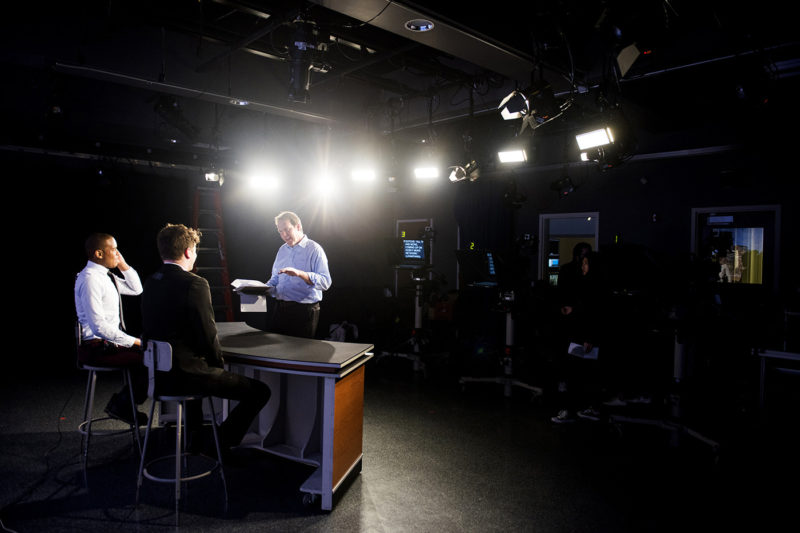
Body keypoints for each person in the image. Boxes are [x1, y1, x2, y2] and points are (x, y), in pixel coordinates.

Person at [141, 223, 271, 453]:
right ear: (188, 252)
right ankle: (219, 443)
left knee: (196, 366)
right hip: (187, 377)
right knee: (260, 392)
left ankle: (194, 437)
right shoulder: (195, 283)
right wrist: (219, 366)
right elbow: (207, 333)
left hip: (158, 376)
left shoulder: (151, 282)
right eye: (195, 251)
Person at [74, 232, 148, 426]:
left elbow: (136, 289)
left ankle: (124, 403)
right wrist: (136, 342)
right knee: (149, 359)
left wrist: (122, 264)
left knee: (152, 355)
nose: (117, 253)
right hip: (95, 347)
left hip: (108, 343)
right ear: (99, 254)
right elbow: (98, 327)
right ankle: (122, 404)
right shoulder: (90, 279)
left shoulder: (106, 276)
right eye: (114, 250)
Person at [551, 243, 604, 423]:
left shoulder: (592, 286)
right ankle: (580, 409)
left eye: (586, 263)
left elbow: (593, 313)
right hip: (580, 335)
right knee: (579, 373)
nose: (582, 266)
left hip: (583, 337)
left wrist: (589, 337)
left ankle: (571, 410)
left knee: (576, 373)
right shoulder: (586, 283)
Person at [266, 211, 332, 338]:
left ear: (298, 226)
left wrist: (300, 274)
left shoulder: (315, 249)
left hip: (304, 312)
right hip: (280, 310)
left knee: (299, 350)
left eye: (287, 229)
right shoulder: (282, 250)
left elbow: (325, 282)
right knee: (276, 348)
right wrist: (260, 289)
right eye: (280, 231)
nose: (284, 235)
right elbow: (275, 278)